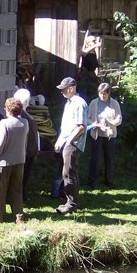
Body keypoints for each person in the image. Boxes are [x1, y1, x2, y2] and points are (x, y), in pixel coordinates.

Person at [54, 77, 91, 215]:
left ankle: (71, 204)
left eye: (63, 90)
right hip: (68, 141)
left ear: (71, 89)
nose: (62, 92)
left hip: (74, 143)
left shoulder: (79, 103)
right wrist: (59, 140)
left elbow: (81, 126)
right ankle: (71, 202)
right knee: (69, 172)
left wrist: (69, 141)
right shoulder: (69, 103)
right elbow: (66, 126)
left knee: (68, 173)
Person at [0, 97, 29, 224]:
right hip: (20, 160)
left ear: (7, 109)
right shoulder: (25, 122)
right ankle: (18, 216)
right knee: (17, 190)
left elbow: (0, 144)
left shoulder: (4, 123)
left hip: (4, 163)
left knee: (0, 191)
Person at [87, 82, 122, 189]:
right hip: (96, 134)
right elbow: (87, 118)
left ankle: (108, 180)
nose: (102, 95)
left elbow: (119, 119)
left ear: (109, 93)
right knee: (95, 159)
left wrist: (111, 123)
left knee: (109, 159)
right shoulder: (93, 103)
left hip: (110, 135)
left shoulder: (114, 103)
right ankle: (92, 181)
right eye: (101, 93)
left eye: (104, 94)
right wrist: (94, 124)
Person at [13, 88, 40, 202]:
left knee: (24, 175)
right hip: (25, 151)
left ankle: (22, 195)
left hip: (29, 150)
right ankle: (19, 197)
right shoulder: (20, 115)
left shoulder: (25, 113)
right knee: (21, 176)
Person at [78, 34, 102, 100]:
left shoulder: (93, 52)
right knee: (84, 94)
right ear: (88, 43)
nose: (95, 42)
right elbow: (83, 53)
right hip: (84, 76)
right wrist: (95, 45)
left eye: (95, 41)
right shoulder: (86, 51)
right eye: (93, 41)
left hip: (92, 75)